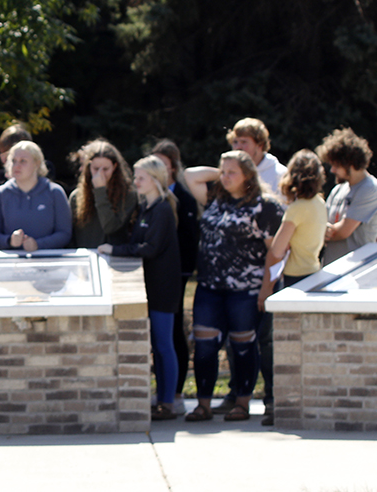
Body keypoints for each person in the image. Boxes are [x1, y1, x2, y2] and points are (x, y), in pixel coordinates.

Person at [181, 150, 284, 421]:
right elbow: (189, 176)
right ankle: (203, 404)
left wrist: (266, 288)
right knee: (204, 346)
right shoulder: (216, 199)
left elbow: (276, 253)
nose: (224, 177)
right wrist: (225, 170)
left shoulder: (265, 207)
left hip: (245, 291)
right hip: (209, 287)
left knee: (242, 346)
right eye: (222, 172)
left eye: (232, 173)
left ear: (249, 176)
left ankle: (242, 402)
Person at [99, 156, 181, 421]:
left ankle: (167, 402)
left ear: (156, 180)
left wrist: (116, 250)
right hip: (149, 286)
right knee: (155, 345)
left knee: (163, 345)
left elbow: (151, 248)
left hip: (163, 288)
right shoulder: (146, 208)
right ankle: (159, 397)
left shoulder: (163, 210)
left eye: (141, 177)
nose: (136, 182)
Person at [257, 148, 328, 425]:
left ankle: (274, 401)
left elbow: (276, 250)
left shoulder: (297, 209)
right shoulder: (320, 204)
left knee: (269, 339)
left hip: (293, 281)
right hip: (313, 275)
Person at [151, 138, 199, 417]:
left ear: (173, 167)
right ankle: (162, 390)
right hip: (155, 276)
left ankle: (176, 391)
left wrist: (184, 271)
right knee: (158, 336)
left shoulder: (183, 197)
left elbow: (191, 240)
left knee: (173, 334)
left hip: (175, 276)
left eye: (164, 165)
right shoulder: (149, 198)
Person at [318, 127, 377, 264]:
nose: (332, 170)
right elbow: (321, 224)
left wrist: (320, 231)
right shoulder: (338, 190)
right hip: (331, 270)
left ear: (350, 163)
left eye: (336, 165)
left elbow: (343, 231)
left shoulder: (371, 189)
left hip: (357, 271)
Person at [0, 141, 72, 251]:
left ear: (37, 164)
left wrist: (38, 244)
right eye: (13, 161)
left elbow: (65, 234)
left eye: (23, 161)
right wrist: (9, 241)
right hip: (10, 264)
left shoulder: (55, 192)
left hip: (49, 261)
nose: (16, 166)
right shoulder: (0, 194)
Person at [69, 139, 137, 248]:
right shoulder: (76, 197)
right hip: (85, 259)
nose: (100, 174)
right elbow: (71, 237)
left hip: (114, 259)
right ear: (88, 167)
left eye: (106, 169)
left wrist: (100, 190)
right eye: (96, 169)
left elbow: (110, 227)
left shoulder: (128, 195)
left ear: (114, 167)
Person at [227, 117, 286, 198]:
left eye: (244, 142)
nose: (238, 147)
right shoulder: (227, 173)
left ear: (260, 145)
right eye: (235, 142)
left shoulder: (280, 175)